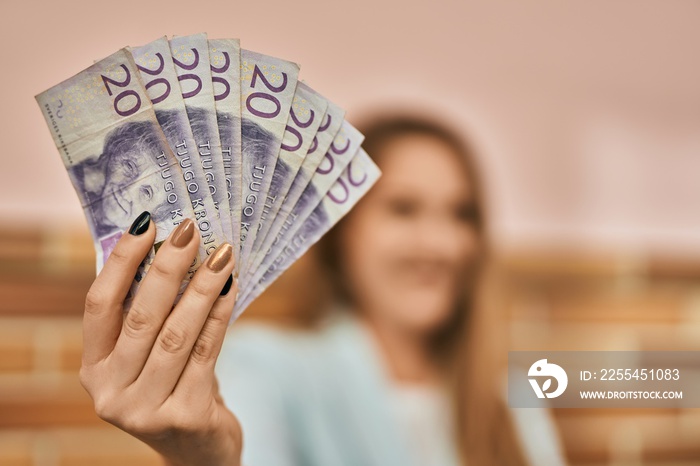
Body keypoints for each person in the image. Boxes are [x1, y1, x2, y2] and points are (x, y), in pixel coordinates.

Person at [78, 113, 563, 466]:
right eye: (404, 209)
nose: (441, 244)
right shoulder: (267, 366)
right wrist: (207, 461)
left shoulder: (507, 390)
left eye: (462, 214)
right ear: (343, 233)